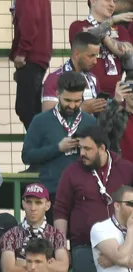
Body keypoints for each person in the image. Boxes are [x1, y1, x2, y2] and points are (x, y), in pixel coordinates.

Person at [55, 124, 133, 272]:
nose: (82, 153)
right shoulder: (71, 172)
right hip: (83, 247)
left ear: (102, 148)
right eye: (80, 148)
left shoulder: (126, 168)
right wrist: (61, 248)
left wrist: (116, 256)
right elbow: (60, 211)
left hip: (122, 243)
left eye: (87, 149)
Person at [24, 72, 97, 205]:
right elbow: (27, 156)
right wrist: (57, 148)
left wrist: (87, 149)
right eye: (67, 100)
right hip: (53, 192)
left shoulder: (90, 122)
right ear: (57, 94)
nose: (72, 106)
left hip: (84, 193)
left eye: (77, 101)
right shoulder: (40, 121)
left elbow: (99, 156)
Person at [0, 184, 69, 272]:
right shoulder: (10, 235)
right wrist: (47, 265)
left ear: (47, 205)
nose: (33, 208)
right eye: (29, 202)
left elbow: (62, 268)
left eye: (38, 203)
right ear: (23, 203)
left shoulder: (57, 235)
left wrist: (23, 263)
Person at [69, 0, 133, 99]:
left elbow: (128, 52)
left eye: (114, 1)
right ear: (93, 1)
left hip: (115, 97)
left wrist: (104, 37)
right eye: (107, 0)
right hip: (86, 95)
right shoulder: (78, 26)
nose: (112, 4)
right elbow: (87, 39)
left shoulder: (120, 29)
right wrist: (112, 20)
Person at [10, 0, 52, 128]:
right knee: (34, 108)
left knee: (26, 108)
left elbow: (30, 20)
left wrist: (22, 51)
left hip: (31, 56)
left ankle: (40, 138)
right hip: (37, 55)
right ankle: (41, 137)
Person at [41, 33, 101, 112]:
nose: (95, 61)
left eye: (96, 56)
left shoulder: (93, 79)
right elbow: (47, 114)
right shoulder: (55, 79)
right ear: (76, 54)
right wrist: (81, 110)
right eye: (91, 56)